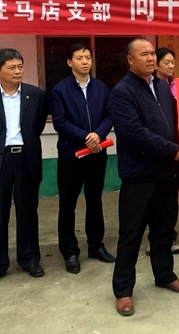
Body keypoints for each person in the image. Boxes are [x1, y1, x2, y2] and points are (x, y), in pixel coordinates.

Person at [109, 38, 179, 317]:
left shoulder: (162, 86)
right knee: (131, 233)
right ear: (130, 60)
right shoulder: (122, 92)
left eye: (153, 53)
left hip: (169, 172)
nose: (151, 58)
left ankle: (165, 274)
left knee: (164, 229)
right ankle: (123, 290)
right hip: (140, 175)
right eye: (143, 54)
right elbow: (135, 132)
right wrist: (172, 150)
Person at [0, 48, 48, 288]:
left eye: (20, 66)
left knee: (28, 212)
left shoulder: (36, 95)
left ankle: (29, 259)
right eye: (12, 67)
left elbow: (36, 127)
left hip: (26, 158)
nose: (18, 71)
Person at [51, 44, 115, 274]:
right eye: (80, 58)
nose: (85, 61)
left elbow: (109, 115)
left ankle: (96, 246)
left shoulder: (100, 87)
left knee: (94, 200)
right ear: (70, 62)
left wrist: (98, 134)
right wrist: (86, 137)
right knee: (67, 204)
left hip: (97, 153)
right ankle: (69, 251)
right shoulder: (60, 89)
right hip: (71, 154)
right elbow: (60, 121)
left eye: (88, 57)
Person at [146, 47, 179, 254]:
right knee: (156, 198)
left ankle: (170, 236)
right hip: (157, 150)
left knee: (171, 197)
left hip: (177, 149)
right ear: (156, 65)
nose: (170, 66)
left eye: (173, 62)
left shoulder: (178, 86)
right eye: (166, 62)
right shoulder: (149, 87)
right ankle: (154, 239)